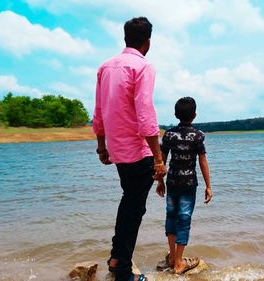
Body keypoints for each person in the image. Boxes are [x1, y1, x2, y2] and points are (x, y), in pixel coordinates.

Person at [93, 16, 166, 281]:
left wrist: (102, 147)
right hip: (138, 151)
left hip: (118, 151)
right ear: (148, 42)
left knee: (129, 203)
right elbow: (146, 114)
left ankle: (117, 258)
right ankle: (121, 268)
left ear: (126, 38)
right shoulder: (143, 67)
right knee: (133, 209)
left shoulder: (105, 67)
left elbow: (99, 111)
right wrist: (158, 159)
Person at [156, 97, 213, 275]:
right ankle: (179, 263)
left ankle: (172, 257)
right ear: (194, 115)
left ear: (175, 115)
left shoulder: (169, 135)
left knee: (171, 217)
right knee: (184, 219)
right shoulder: (198, 135)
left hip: (172, 182)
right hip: (189, 185)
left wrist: (160, 181)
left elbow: (161, 161)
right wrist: (208, 186)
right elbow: (202, 161)